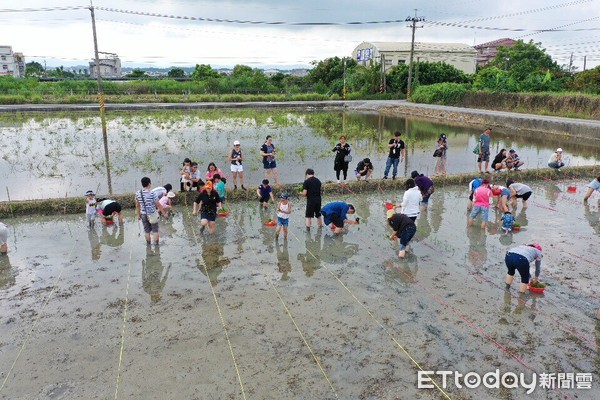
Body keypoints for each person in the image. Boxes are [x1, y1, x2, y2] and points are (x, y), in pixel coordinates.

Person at [135, 177, 168, 245]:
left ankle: (148, 245)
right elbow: (158, 205)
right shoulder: (152, 193)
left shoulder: (138, 193)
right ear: (149, 184)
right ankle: (156, 246)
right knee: (155, 231)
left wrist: (138, 215)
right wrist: (164, 214)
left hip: (143, 214)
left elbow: (137, 205)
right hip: (152, 214)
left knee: (147, 231)